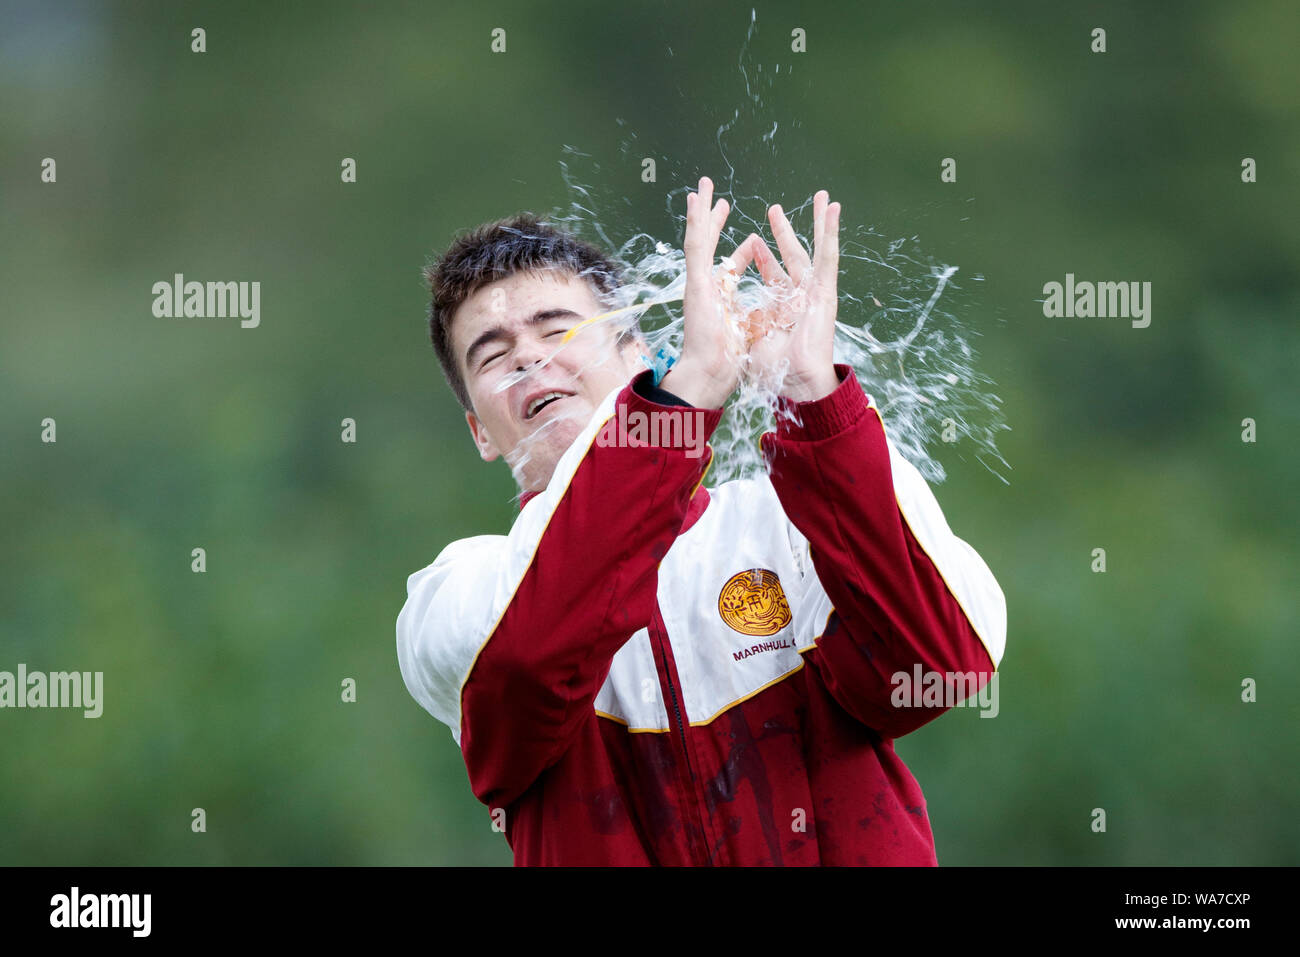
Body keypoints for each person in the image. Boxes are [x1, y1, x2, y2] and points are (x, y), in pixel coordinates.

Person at [396, 176, 1007, 865]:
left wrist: (813, 395)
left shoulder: (782, 523)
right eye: (493, 354)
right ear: (480, 431)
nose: (529, 359)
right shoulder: (457, 591)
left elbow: (943, 662)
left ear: (637, 355)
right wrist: (681, 401)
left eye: (558, 328)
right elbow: (529, 661)